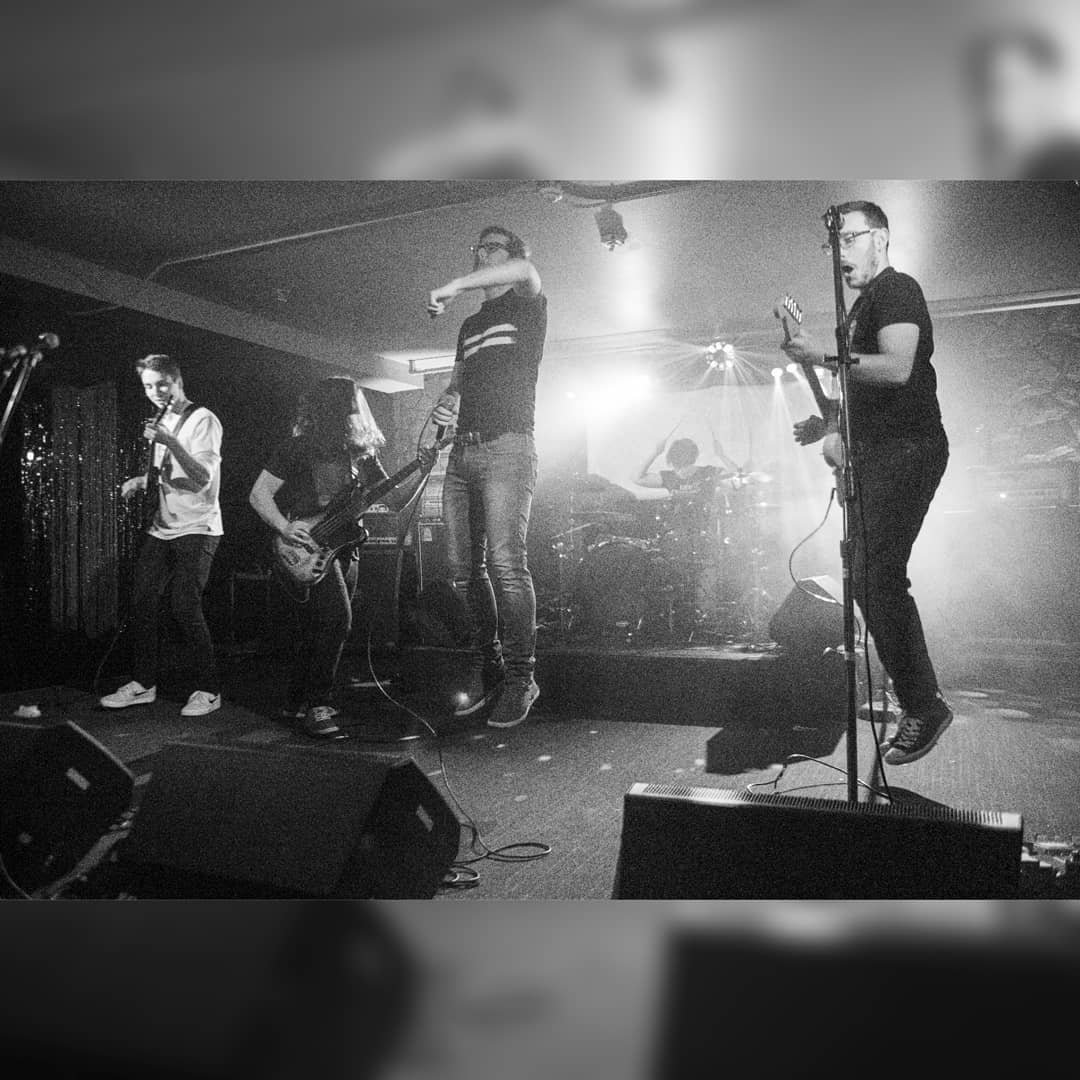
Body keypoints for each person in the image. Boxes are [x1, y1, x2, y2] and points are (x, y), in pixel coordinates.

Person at [781, 200, 952, 765]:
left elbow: (898, 368)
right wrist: (828, 419)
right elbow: (859, 386)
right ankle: (917, 699)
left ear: (880, 237)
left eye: (850, 238)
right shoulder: (857, 310)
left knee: (878, 576)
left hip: (908, 448)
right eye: (834, 243)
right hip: (876, 452)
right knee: (864, 576)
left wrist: (822, 354)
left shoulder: (897, 289)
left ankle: (923, 704)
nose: (841, 252)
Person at [249, 376, 433, 738]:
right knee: (338, 621)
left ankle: (296, 701)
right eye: (350, 403)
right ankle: (319, 705)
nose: (356, 410)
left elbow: (396, 501)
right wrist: (284, 527)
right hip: (307, 545)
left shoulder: (361, 454)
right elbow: (259, 494)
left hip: (346, 547)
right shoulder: (296, 448)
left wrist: (423, 471)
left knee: (319, 628)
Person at [427, 224, 546, 728]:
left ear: (511, 255)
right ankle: (491, 665)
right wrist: (445, 405)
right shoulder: (469, 326)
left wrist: (455, 284)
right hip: (463, 453)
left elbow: (527, 270)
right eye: (478, 247)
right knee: (461, 568)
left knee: (506, 565)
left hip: (508, 448)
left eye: (491, 247)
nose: (481, 253)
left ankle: (522, 678)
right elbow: (457, 383)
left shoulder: (527, 305)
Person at [100, 354, 223, 717]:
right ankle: (143, 683)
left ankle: (209, 689)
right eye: (148, 387)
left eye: (161, 385)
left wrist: (171, 442)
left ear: (177, 381)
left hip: (198, 525)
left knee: (184, 605)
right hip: (163, 525)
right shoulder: (162, 420)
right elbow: (167, 474)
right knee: (142, 601)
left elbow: (203, 478)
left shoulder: (203, 419)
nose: (155, 393)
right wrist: (142, 480)